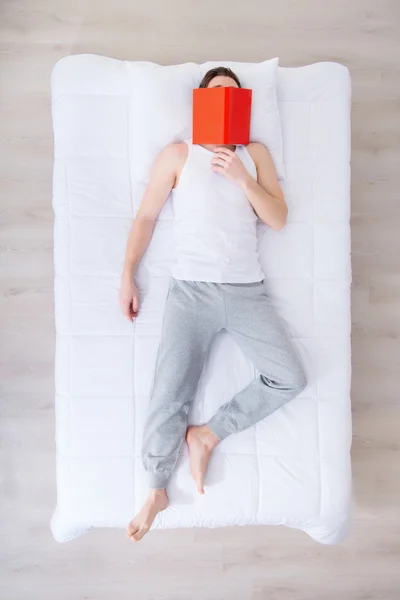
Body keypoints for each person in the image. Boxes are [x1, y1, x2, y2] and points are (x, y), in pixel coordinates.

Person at [119, 67, 307, 542]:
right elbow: (145, 217)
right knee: (169, 391)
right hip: (192, 292)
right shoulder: (178, 155)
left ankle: (209, 434)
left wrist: (244, 178)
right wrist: (127, 275)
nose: (224, 103)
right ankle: (157, 489)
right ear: (201, 102)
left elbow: (279, 219)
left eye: (233, 97)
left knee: (290, 377)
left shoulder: (255, 153)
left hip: (247, 290)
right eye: (215, 96)